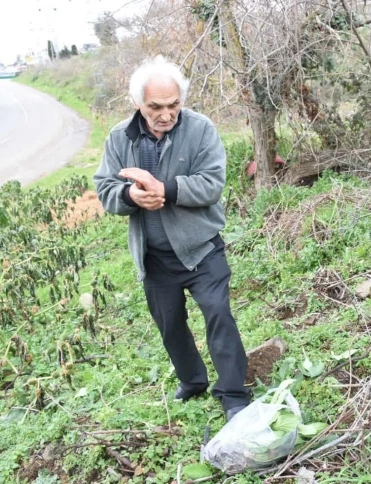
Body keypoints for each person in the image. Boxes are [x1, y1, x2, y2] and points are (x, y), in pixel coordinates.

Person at [94, 56, 250, 422]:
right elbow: (105, 188)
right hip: (155, 257)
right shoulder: (120, 137)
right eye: (156, 107)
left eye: (174, 104)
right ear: (138, 104)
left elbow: (212, 183)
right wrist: (131, 196)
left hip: (201, 250)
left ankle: (233, 395)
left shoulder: (200, 129)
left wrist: (164, 189)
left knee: (219, 315)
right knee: (171, 324)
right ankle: (193, 381)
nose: (167, 114)